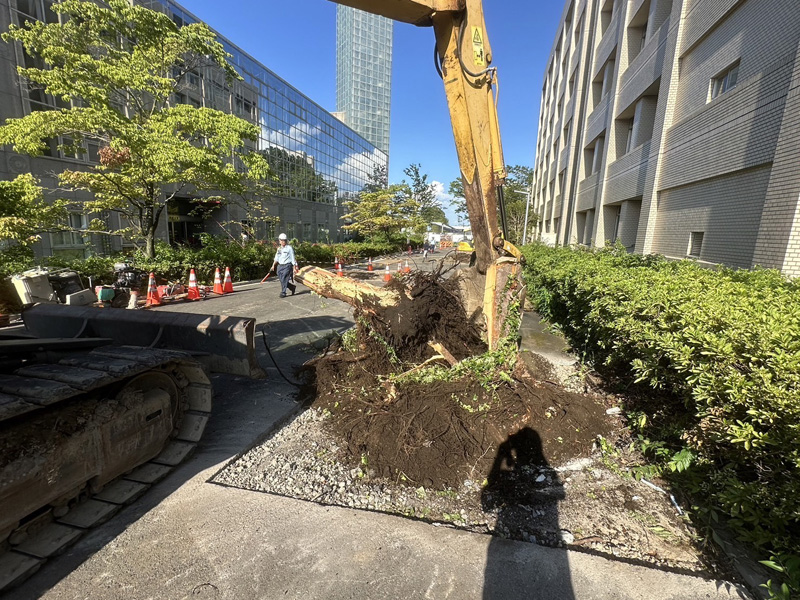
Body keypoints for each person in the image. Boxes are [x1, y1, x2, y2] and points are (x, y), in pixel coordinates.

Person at [268, 233, 299, 298]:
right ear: (279, 241)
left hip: (287, 265)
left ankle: (283, 292)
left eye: (284, 240)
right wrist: (273, 265)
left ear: (286, 241)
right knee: (282, 279)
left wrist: (294, 267)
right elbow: (276, 258)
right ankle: (292, 287)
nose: (283, 242)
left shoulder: (289, 248)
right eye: (281, 240)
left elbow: (292, 258)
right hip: (280, 266)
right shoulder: (279, 249)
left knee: (284, 278)